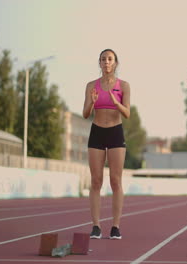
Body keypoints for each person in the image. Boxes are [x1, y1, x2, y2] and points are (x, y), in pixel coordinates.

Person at [82, 49, 130, 240]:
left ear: (115, 63)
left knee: (116, 181)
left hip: (116, 132)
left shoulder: (124, 86)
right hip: (97, 132)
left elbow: (127, 113)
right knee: (96, 181)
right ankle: (96, 226)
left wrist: (115, 102)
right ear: (99, 63)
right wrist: (92, 102)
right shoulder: (91, 86)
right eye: (103, 59)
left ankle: (115, 226)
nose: (106, 62)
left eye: (110, 59)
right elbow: (85, 114)